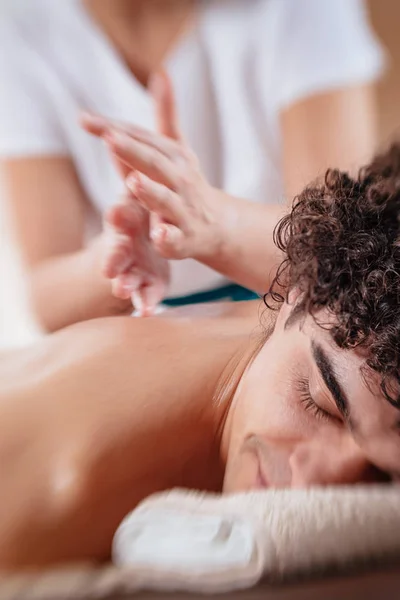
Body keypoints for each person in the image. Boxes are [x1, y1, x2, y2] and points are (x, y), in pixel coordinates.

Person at [1, 144, 400, 569]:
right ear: (292, 294)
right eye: (319, 406)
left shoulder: (331, 320)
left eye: (379, 476)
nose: (309, 485)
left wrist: (221, 226)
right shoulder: (68, 483)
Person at [0, 0, 384, 330]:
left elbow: (353, 257)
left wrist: (217, 227)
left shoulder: (303, 9)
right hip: (143, 338)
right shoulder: (21, 27)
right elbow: (46, 297)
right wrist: (115, 259)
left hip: (287, 322)